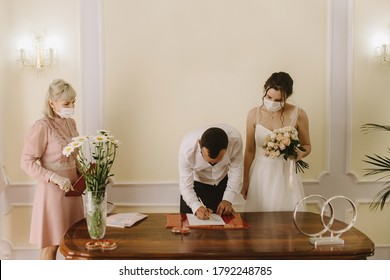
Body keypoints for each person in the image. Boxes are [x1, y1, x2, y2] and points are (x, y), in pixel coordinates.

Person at [20, 79, 84, 259]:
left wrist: (89, 175)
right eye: (66, 103)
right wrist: (54, 177)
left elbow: (72, 157)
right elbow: (26, 162)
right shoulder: (42, 126)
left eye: (74, 102)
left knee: (76, 243)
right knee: (51, 246)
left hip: (73, 192)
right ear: (52, 103)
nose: (71, 106)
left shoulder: (71, 123)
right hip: (52, 194)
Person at [241, 72, 311, 211]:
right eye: (269, 97)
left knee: (285, 220)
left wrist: (299, 153)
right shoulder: (253, 114)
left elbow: (307, 145)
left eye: (279, 100)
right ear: (265, 90)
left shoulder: (299, 114)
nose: (272, 102)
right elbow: (249, 150)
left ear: (287, 97)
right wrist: (246, 180)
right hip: (260, 174)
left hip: (286, 173)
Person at [179, 124, 243, 220]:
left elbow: (236, 170)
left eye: (217, 161)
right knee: (190, 230)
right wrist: (195, 206)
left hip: (221, 184)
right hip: (195, 185)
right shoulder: (187, 148)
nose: (212, 164)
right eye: (209, 161)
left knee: (221, 231)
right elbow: (185, 185)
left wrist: (228, 198)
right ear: (200, 144)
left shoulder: (235, 141)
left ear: (228, 146)